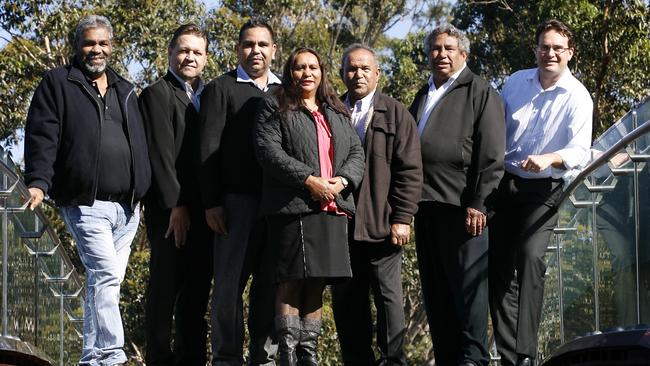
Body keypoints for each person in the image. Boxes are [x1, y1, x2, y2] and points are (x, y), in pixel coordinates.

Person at [23, 15, 151, 366]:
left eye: (103, 43)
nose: (97, 49)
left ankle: (92, 358)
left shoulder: (125, 89)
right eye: (89, 43)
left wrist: (144, 190)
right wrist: (38, 181)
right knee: (106, 275)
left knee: (104, 283)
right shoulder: (58, 83)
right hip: (85, 203)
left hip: (127, 209)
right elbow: (42, 135)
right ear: (76, 46)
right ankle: (111, 355)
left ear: (112, 46)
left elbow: (139, 142)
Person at [489, 19, 592, 366]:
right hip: (505, 182)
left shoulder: (578, 96)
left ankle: (525, 354)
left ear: (570, 53)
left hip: (544, 188)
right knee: (498, 266)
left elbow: (581, 151)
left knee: (531, 259)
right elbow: (495, 129)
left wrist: (551, 157)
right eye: (544, 47)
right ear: (536, 49)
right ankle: (507, 355)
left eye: (558, 48)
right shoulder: (516, 82)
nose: (550, 53)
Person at [253, 47, 365, 366]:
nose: (307, 73)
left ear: (322, 72)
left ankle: (307, 355)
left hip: (332, 209)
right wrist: (309, 180)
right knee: (291, 280)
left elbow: (357, 155)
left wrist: (340, 182)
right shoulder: (274, 106)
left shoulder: (336, 109)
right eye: (300, 67)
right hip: (293, 208)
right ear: (290, 72)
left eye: (313, 67)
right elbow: (268, 152)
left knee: (317, 281)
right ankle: (287, 353)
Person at [409, 25, 505, 366]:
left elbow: (492, 155)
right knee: (437, 296)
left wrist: (479, 203)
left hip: (463, 211)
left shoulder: (480, 91)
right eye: (436, 49)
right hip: (425, 208)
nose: (442, 55)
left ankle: (474, 361)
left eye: (449, 48)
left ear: (464, 54)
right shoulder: (423, 93)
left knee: (468, 297)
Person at [331, 44, 422, 366]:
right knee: (346, 304)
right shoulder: (331, 111)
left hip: (382, 226)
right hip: (339, 228)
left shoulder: (396, 113)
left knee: (388, 302)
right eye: (352, 69)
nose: (358, 75)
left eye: (365, 68)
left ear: (377, 73)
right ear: (342, 73)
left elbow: (410, 170)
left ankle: (393, 360)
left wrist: (403, 217)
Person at [198, 19, 280, 366]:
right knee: (229, 289)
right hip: (234, 205)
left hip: (277, 207)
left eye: (263, 44)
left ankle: (265, 358)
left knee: (271, 287)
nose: (255, 51)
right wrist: (212, 202)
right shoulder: (221, 88)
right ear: (237, 49)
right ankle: (226, 357)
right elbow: (207, 149)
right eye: (248, 44)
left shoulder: (285, 90)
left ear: (274, 50)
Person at [139, 24, 212, 366]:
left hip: (205, 213)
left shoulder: (208, 96)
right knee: (164, 290)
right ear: (170, 53)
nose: (190, 57)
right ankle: (157, 358)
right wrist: (176, 205)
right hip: (170, 211)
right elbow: (160, 155)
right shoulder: (157, 93)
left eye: (197, 52)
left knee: (196, 295)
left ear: (206, 58)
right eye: (184, 50)